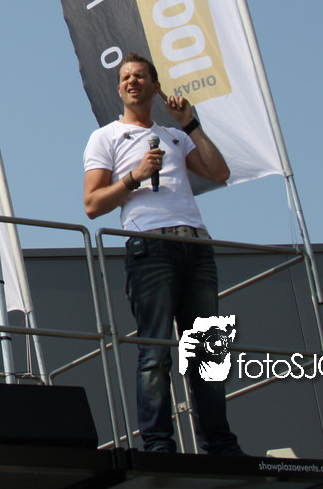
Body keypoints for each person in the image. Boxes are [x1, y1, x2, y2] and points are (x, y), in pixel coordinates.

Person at [83, 53, 244, 456]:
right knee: (155, 351)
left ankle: (219, 445)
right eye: (125, 77)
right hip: (150, 246)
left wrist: (190, 123)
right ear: (119, 89)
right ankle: (157, 443)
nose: (132, 81)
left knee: (208, 352)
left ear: (155, 87)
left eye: (140, 76)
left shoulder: (174, 136)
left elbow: (219, 172)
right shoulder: (106, 137)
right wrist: (134, 176)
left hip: (196, 244)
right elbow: (92, 204)